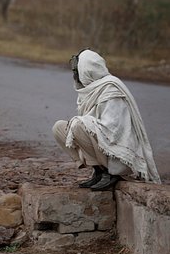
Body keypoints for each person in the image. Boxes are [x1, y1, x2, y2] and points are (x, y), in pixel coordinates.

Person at [53, 49, 161, 190]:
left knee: (77, 125)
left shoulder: (110, 88)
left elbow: (114, 131)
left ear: (87, 69)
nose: (76, 74)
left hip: (117, 153)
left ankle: (111, 174)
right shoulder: (90, 89)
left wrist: (84, 124)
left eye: (78, 69)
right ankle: (99, 171)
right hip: (101, 145)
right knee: (59, 128)